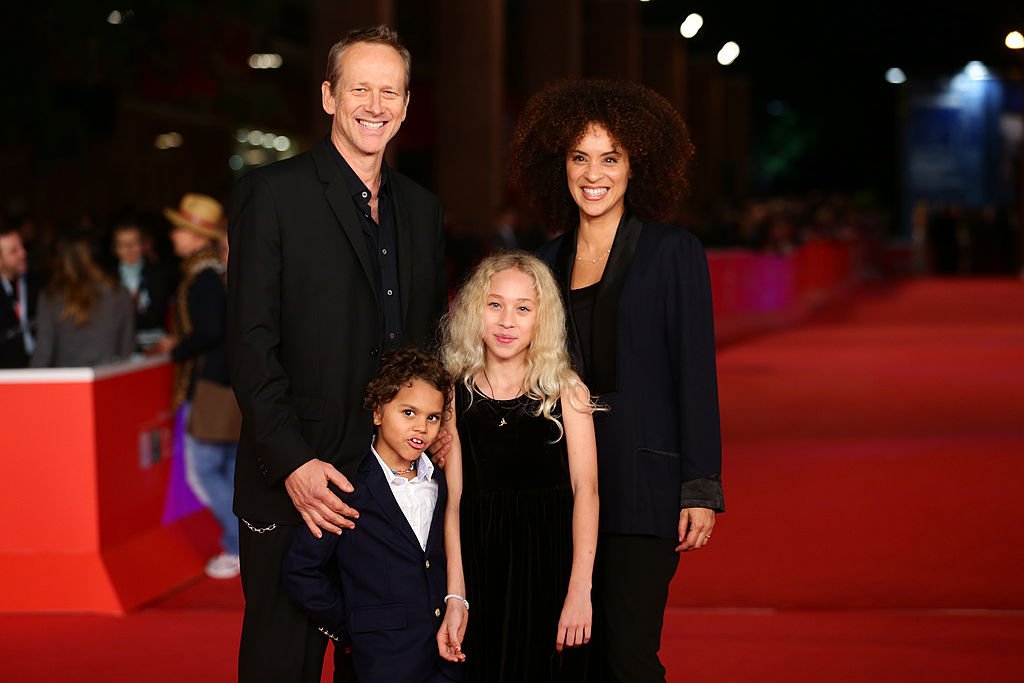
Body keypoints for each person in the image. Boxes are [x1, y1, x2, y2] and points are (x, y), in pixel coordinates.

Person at [227, 25, 448, 683]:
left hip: (388, 485)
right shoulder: (274, 196)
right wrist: (293, 463)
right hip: (293, 485)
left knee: (385, 666)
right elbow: (250, 346)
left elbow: (426, 350)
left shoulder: (422, 210)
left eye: (390, 91)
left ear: (406, 105)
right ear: (328, 96)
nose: (374, 105)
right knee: (280, 663)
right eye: (360, 88)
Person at [511, 79, 725, 683]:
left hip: (644, 484)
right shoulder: (543, 262)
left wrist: (699, 486)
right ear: (561, 166)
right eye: (580, 157)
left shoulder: (673, 252)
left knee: (628, 656)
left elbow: (695, 372)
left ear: (637, 167)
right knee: (569, 658)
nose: (594, 173)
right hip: (556, 488)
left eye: (611, 157)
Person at [441, 251, 600, 682]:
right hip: (481, 567)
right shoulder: (455, 395)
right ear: (475, 311)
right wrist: (457, 594)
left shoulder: (567, 391)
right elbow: (454, 502)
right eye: (495, 305)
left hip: (550, 567)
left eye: (523, 308)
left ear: (541, 319)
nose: (507, 321)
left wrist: (580, 590)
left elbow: (587, 490)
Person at [282, 348, 465, 683]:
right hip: (378, 662)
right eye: (408, 412)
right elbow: (302, 570)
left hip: (444, 658)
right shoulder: (347, 486)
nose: (421, 427)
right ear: (379, 412)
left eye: (433, 417)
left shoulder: (440, 478)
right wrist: (350, 626)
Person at [151, 193, 240, 580]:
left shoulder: (203, 277)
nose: (173, 236)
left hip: (214, 386)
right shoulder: (214, 272)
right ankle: (246, 545)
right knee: (231, 468)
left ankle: (238, 546)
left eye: (179, 229)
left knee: (203, 470)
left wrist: (177, 349)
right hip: (229, 383)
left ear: (195, 235)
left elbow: (210, 331)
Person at [30, 233, 134, 367]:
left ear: (59, 260)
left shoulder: (51, 297)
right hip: (108, 379)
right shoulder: (119, 293)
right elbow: (127, 349)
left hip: (68, 382)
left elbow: (43, 353)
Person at [110, 217, 171, 348]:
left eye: (134, 243)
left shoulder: (157, 274)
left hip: (153, 343)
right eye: (123, 244)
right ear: (115, 249)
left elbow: (156, 316)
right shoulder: (108, 278)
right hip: (118, 344)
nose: (129, 248)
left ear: (143, 245)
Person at [0, 226, 37, 368]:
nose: (23, 253)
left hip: (40, 367)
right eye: (14, 251)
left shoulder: (37, 285)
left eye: (22, 247)